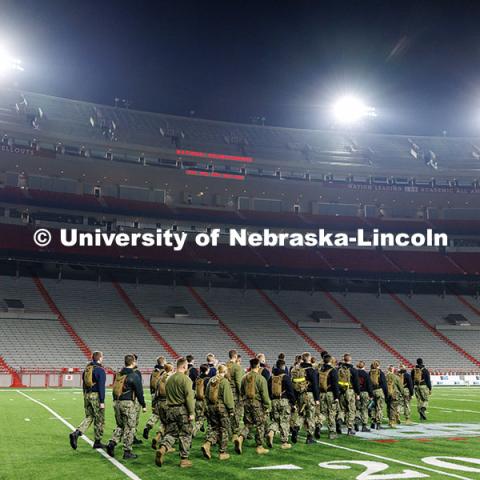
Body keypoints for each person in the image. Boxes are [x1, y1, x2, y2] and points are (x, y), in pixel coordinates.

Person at [155, 357, 195, 468]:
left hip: (170, 408)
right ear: (184, 366)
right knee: (185, 434)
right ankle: (184, 459)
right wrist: (191, 412)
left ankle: (163, 448)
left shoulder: (169, 379)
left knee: (171, 433)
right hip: (181, 409)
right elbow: (189, 397)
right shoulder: (186, 379)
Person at [106, 354, 147, 459]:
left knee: (120, 426)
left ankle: (112, 442)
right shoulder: (134, 375)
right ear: (133, 362)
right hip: (128, 403)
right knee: (130, 427)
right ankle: (127, 451)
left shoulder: (119, 374)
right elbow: (139, 392)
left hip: (117, 402)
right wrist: (143, 405)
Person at [69, 351, 106, 450]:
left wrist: (85, 395)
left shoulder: (87, 369)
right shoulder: (100, 370)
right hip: (96, 396)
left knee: (89, 416)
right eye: (102, 357)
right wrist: (102, 401)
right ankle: (97, 442)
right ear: (99, 358)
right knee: (100, 420)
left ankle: (76, 433)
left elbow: (84, 384)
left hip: (87, 395)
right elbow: (101, 387)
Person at [235, 357, 271, 455]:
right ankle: (259, 446)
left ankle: (240, 438)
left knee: (248, 424)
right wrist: (267, 406)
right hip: (257, 404)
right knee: (260, 424)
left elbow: (241, 391)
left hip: (246, 403)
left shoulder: (244, 377)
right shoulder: (261, 378)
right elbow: (264, 394)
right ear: (258, 366)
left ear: (250, 365)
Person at [202, 364, 235, 461]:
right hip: (222, 408)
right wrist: (231, 410)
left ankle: (207, 443)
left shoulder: (211, 380)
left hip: (211, 407)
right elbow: (228, 398)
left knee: (214, 428)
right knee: (224, 429)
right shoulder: (224, 382)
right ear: (224, 372)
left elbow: (206, 395)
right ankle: (222, 452)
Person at [290, 352, 319, 444]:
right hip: (309, 395)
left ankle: (296, 428)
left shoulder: (297, 369)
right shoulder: (311, 370)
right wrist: (317, 399)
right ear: (309, 359)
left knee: (301, 414)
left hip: (300, 395)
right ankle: (309, 437)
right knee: (310, 416)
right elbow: (315, 385)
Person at [266, 359, 295, 449]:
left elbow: (268, 390)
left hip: (274, 401)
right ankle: (284, 442)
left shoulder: (271, 377)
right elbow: (290, 391)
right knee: (284, 421)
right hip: (284, 401)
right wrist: (293, 403)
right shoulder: (285, 377)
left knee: (276, 420)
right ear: (283, 366)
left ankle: (271, 432)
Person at [151, 363, 175, 450]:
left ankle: (157, 437)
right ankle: (166, 446)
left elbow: (156, 393)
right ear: (172, 369)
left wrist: (154, 405)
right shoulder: (172, 378)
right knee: (171, 425)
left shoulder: (160, 378)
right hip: (169, 403)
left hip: (160, 403)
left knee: (164, 423)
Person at [143, 356, 167, 440]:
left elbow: (151, 384)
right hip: (162, 396)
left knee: (156, 413)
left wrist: (152, 394)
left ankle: (148, 426)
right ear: (163, 362)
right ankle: (160, 435)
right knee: (164, 416)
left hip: (154, 395)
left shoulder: (153, 372)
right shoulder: (164, 372)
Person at [337, 354, 360, 435]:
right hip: (350, 391)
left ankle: (339, 420)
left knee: (342, 409)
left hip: (341, 391)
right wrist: (357, 393)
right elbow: (357, 383)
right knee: (351, 410)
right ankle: (350, 428)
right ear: (350, 360)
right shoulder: (353, 370)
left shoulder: (339, 369)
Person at [318, 354, 340, 440]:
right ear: (330, 361)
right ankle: (332, 432)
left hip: (322, 394)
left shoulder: (320, 370)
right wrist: (337, 396)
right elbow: (335, 385)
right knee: (331, 413)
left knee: (323, 412)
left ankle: (318, 424)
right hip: (330, 393)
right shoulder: (333, 370)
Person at [225, 349, 244, 440]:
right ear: (235, 356)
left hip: (224, 392)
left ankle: (226, 432)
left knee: (226, 413)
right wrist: (242, 395)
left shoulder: (224, 366)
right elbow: (238, 383)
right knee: (236, 413)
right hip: (234, 393)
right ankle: (235, 434)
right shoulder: (237, 367)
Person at [369, 360, 387, 430]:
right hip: (379, 391)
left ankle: (373, 422)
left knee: (373, 407)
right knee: (379, 408)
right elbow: (384, 384)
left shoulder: (370, 372)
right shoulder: (380, 372)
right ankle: (378, 423)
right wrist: (386, 393)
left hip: (372, 391)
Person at [355, 361, 373, 432]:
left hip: (356, 393)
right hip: (365, 393)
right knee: (364, 409)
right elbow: (369, 385)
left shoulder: (355, 373)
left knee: (357, 409)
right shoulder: (366, 374)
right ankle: (364, 426)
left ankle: (356, 423)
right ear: (364, 366)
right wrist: (371, 395)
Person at [193, 364, 210, 434]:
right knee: (209, 418)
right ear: (207, 370)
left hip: (197, 400)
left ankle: (201, 426)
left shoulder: (197, 378)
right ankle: (192, 432)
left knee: (199, 417)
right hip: (205, 400)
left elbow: (193, 388)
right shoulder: (208, 379)